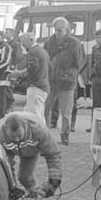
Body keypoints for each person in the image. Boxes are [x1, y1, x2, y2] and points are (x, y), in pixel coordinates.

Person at [0, 112, 62, 198]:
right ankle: (13, 193)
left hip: (31, 149)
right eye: (13, 137)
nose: (16, 139)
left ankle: (34, 194)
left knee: (25, 177)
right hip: (8, 150)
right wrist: (12, 187)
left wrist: (54, 181)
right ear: (5, 129)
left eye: (19, 136)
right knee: (6, 171)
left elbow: (53, 154)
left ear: (25, 127)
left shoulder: (39, 130)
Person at [43, 17, 85, 145]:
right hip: (51, 80)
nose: (57, 32)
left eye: (60, 30)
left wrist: (71, 73)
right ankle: (45, 136)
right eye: (55, 30)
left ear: (67, 30)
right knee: (45, 109)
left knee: (66, 112)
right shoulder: (50, 42)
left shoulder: (75, 43)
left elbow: (80, 63)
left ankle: (65, 136)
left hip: (67, 82)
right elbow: (45, 58)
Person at [9, 32, 50, 120]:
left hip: (36, 86)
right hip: (43, 85)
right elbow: (49, 67)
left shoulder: (33, 51)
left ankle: (37, 133)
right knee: (37, 112)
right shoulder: (42, 51)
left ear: (30, 40)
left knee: (33, 115)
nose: (22, 44)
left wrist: (19, 73)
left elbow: (32, 68)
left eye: (23, 41)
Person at [3, 28, 22, 114]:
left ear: (12, 34)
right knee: (5, 87)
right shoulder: (5, 44)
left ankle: (9, 106)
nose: (5, 34)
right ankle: (6, 106)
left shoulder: (15, 44)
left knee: (9, 87)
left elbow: (16, 56)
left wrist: (13, 67)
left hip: (11, 68)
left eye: (7, 32)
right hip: (5, 68)